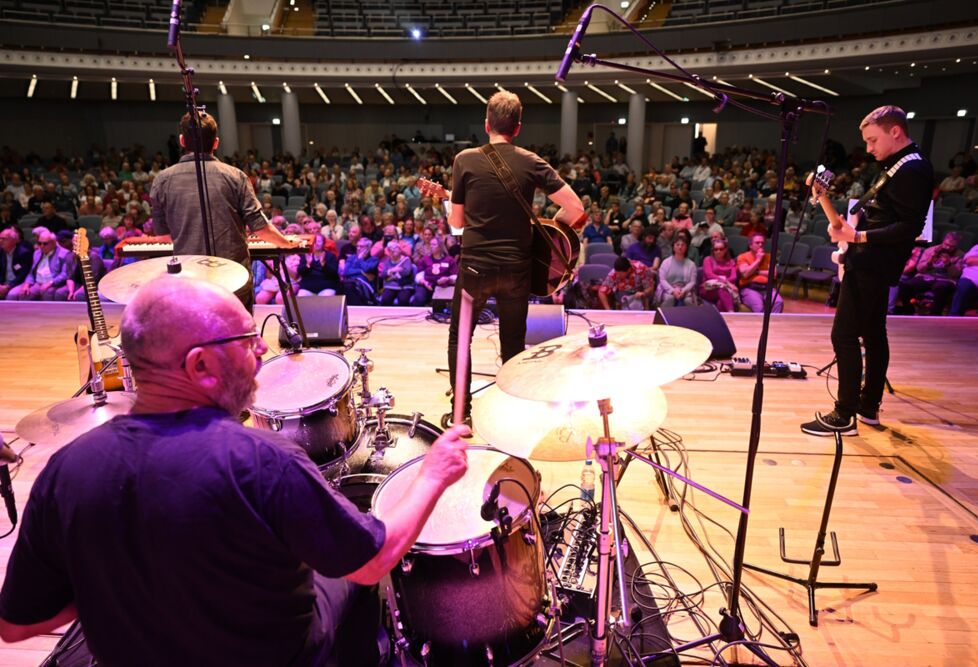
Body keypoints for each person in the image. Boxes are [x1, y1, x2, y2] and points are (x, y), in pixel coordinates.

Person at [0, 276, 470, 665]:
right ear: (200, 364)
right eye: (247, 340)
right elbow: (374, 562)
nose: (264, 352)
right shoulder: (265, 462)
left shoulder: (66, 471)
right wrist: (433, 472)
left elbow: (18, 625)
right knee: (350, 571)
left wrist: (126, 590)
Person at [425, 91, 584, 428]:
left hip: (475, 267)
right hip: (516, 269)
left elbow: (456, 223)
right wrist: (551, 231)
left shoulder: (465, 160)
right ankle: (512, 411)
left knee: (460, 337)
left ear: (487, 124)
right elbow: (576, 209)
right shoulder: (531, 161)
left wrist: (453, 205)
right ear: (518, 127)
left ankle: (461, 417)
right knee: (513, 339)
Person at [801, 105, 934, 436]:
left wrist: (858, 235)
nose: (869, 148)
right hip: (872, 259)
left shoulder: (912, 169)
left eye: (873, 140)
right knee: (874, 333)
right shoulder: (898, 165)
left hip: (873, 263)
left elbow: (909, 227)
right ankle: (867, 408)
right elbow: (887, 214)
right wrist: (831, 206)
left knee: (844, 334)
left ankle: (843, 414)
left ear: (895, 132)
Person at [147, 111, 297, 312]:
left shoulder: (162, 180)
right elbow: (260, 228)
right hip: (233, 277)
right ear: (215, 143)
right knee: (237, 338)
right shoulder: (235, 176)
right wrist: (287, 243)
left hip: (190, 278)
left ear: (182, 140)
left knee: (197, 334)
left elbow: (164, 237)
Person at [895, 231, 964, 315]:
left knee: (941, 288)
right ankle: (909, 311)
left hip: (946, 280)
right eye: (946, 244)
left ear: (957, 246)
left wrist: (948, 264)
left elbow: (956, 274)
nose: (948, 248)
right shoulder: (931, 250)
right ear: (943, 241)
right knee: (905, 286)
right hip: (925, 276)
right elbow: (919, 268)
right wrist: (929, 262)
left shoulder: (960, 255)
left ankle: (934, 315)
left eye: (951, 246)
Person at [737, 232, 784, 313]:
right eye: (757, 243)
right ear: (750, 245)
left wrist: (756, 272)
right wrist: (758, 260)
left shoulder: (769, 257)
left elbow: (773, 274)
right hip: (750, 288)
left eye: (762, 243)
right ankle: (759, 325)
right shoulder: (743, 257)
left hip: (767, 288)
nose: (760, 245)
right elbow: (745, 274)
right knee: (759, 307)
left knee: (778, 302)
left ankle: (774, 324)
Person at [656, 231, 697, 307]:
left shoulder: (691, 264)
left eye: (682, 245)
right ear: (673, 247)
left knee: (688, 301)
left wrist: (683, 290)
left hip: (685, 291)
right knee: (670, 299)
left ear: (686, 247)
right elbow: (662, 280)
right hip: (668, 290)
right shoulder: (666, 262)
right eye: (677, 245)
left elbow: (692, 282)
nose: (680, 247)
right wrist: (673, 291)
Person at [700, 238, 740, 312]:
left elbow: (733, 277)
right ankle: (731, 312)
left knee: (721, 301)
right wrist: (727, 283)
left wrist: (722, 281)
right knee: (722, 289)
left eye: (721, 249)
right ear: (713, 250)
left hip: (726, 290)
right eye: (716, 249)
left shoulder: (731, 262)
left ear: (725, 250)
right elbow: (709, 275)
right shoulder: (708, 260)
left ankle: (723, 319)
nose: (718, 251)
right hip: (709, 289)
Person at [0, 227, 31, 300]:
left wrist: (8, 286)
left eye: (4, 239)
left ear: (14, 240)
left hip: (18, 283)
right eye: (0, 238)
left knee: (11, 295)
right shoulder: (1, 252)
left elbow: (23, 274)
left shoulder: (23, 253)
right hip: (3, 283)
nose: (0, 241)